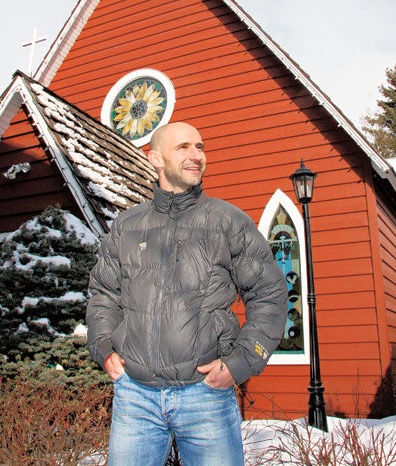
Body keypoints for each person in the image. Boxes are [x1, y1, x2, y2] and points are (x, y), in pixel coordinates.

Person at [86, 122, 288, 466]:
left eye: (200, 146)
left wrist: (240, 362)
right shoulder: (127, 226)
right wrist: (104, 347)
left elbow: (269, 293)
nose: (197, 155)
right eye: (184, 147)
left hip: (205, 393)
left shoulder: (228, 221)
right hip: (135, 396)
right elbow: (104, 293)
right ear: (155, 158)